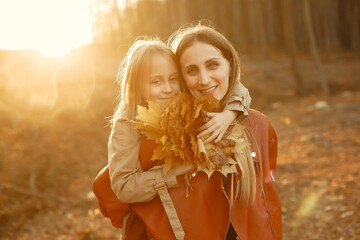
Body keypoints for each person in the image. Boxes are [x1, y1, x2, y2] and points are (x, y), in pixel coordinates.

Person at [93, 35, 252, 239]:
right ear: (137, 86)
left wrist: (228, 114)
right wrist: (173, 173)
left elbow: (237, 87)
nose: (168, 88)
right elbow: (123, 187)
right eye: (156, 81)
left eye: (173, 78)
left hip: (203, 216)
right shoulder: (127, 123)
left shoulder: (182, 96)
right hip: (156, 227)